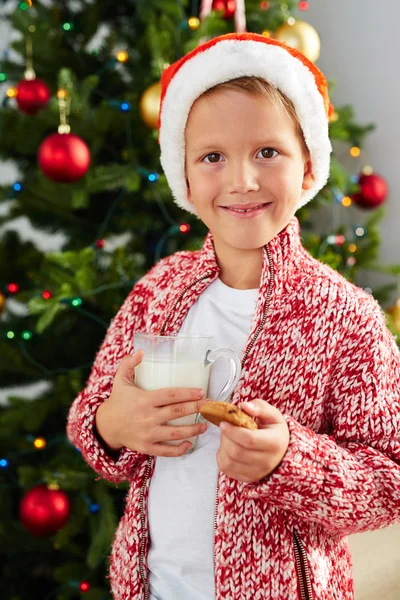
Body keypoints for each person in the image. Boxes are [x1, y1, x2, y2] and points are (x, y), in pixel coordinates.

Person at [67, 32, 400, 600]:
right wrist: (112, 425)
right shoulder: (158, 292)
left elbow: (388, 481)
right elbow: (91, 414)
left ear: (307, 166)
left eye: (267, 152)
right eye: (213, 157)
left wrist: (290, 460)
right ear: (187, 180)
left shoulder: (347, 317)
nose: (242, 180)